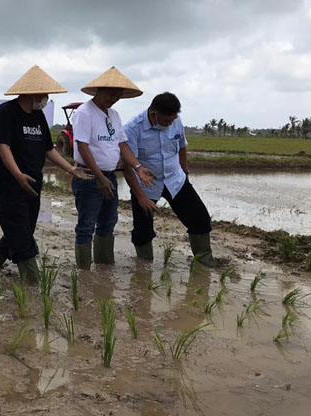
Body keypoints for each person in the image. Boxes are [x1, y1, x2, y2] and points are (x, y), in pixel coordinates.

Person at [0, 65, 91, 283]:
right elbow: (3, 147)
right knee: (23, 239)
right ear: (32, 93)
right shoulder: (5, 113)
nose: (45, 99)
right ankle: (33, 284)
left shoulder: (38, 116)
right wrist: (17, 174)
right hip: (7, 187)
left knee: (21, 231)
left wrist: (71, 169)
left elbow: (48, 149)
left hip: (33, 186)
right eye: (44, 95)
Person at [71, 67, 154, 269]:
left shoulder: (114, 115)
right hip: (90, 177)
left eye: (118, 95)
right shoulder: (85, 112)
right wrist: (99, 177)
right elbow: (82, 146)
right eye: (111, 93)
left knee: (108, 222)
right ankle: (84, 272)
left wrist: (138, 166)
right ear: (99, 90)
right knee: (86, 225)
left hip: (109, 177)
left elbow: (122, 145)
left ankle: (103, 268)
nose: (114, 98)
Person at [122, 92, 214, 264]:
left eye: (172, 120)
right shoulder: (132, 128)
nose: (169, 124)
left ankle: (205, 262)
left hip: (175, 180)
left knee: (200, 218)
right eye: (165, 121)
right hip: (146, 184)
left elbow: (182, 147)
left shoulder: (175, 121)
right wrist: (141, 197)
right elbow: (127, 166)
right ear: (153, 113)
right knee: (143, 230)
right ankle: (144, 267)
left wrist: (185, 174)